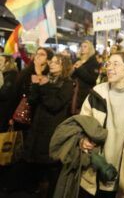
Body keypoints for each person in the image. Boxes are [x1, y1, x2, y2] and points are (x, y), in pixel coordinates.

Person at [78, 51, 124, 198]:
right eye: (108, 64)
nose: (110, 68)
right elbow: (81, 124)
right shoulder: (96, 94)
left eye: (116, 64)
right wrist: (82, 140)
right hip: (94, 170)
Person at [24, 54, 74, 197]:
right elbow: (33, 100)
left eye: (56, 63)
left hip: (52, 129)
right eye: (51, 62)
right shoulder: (46, 79)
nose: (52, 64)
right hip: (38, 127)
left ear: (64, 66)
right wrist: (35, 84)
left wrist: (43, 84)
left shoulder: (67, 83)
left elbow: (54, 105)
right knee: (36, 165)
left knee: (49, 166)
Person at [71, 40, 99, 113]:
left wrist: (80, 68)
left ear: (90, 49)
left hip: (85, 93)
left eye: (85, 47)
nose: (82, 48)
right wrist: (72, 69)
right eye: (82, 46)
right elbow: (72, 76)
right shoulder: (77, 59)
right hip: (75, 91)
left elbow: (92, 79)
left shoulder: (94, 62)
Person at [0, 53, 18, 132]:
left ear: (7, 63)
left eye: (0, 60)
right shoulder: (6, 75)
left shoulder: (10, 76)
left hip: (4, 114)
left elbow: (4, 94)